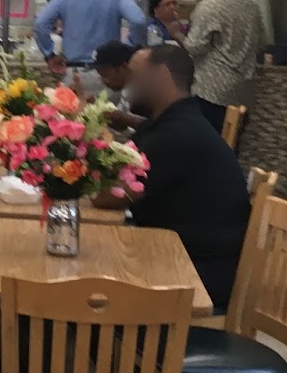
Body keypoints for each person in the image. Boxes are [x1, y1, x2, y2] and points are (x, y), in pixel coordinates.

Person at [97, 44, 251, 313]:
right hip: (175, 257)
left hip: (197, 277)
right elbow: (117, 166)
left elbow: (109, 195)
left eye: (135, 76)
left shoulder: (177, 135)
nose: (128, 87)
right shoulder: (167, 123)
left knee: (82, 288)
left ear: (162, 77)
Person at [162, 0, 263, 134]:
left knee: (207, 146)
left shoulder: (209, 6)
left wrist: (177, 33)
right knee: (230, 145)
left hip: (213, 91)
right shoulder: (251, 3)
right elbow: (261, 42)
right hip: (243, 91)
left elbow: (194, 48)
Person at [33, 0, 147, 97]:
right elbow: (138, 21)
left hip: (73, 73)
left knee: (71, 116)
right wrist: (130, 50)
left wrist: (49, 55)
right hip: (108, 74)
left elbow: (40, 23)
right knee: (109, 117)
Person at [93, 39, 143, 132]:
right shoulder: (126, 90)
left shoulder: (148, 89)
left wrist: (127, 120)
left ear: (123, 67)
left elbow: (159, 127)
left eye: (106, 76)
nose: (104, 82)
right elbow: (123, 128)